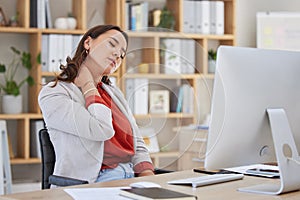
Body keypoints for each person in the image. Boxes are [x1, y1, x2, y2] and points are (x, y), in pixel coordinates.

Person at [38, 25, 155, 185]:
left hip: (132, 178)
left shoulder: (114, 94)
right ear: (88, 43)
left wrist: (147, 175)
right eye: (112, 44)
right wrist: (88, 85)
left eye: (122, 54)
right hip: (94, 182)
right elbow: (100, 130)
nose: (117, 54)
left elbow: (137, 142)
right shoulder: (54, 93)